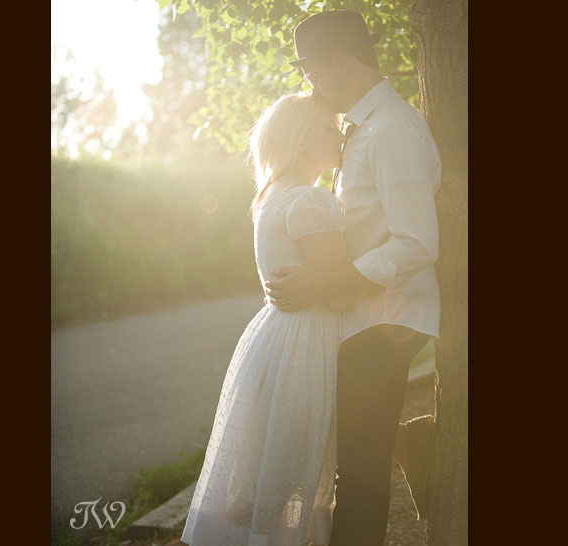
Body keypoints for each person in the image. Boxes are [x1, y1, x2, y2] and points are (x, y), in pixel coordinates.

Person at [263, 10, 443, 545]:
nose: (310, 84)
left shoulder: (391, 132)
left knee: (359, 472)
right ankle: (407, 443)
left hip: (386, 319)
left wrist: (321, 284)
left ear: (339, 63)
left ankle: (403, 446)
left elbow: (417, 243)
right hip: (363, 318)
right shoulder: (361, 130)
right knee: (351, 455)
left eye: (311, 71)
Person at [180, 92, 352, 546]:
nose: (340, 137)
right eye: (329, 129)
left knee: (267, 482)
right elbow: (340, 291)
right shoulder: (310, 201)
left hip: (275, 341)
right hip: (304, 348)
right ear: (300, 140)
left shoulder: (271, 195)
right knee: (282, 481)